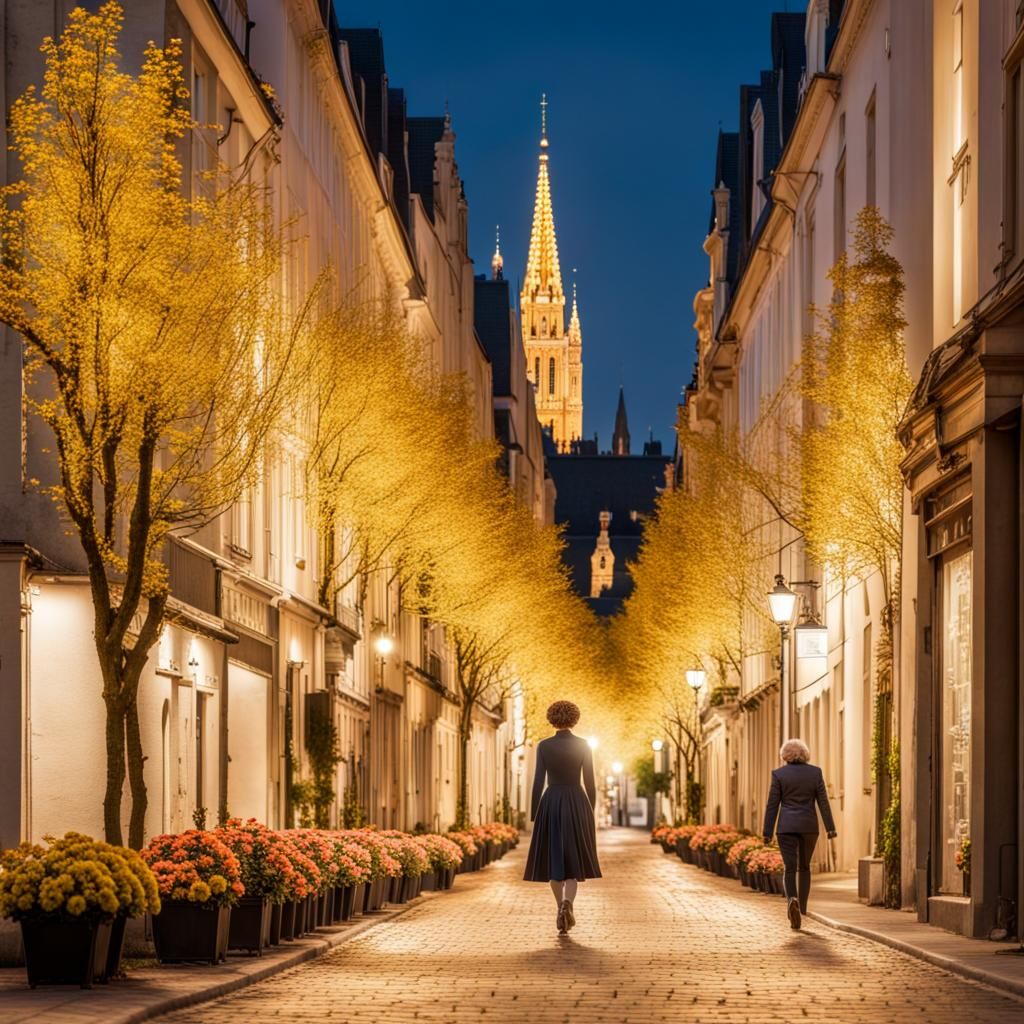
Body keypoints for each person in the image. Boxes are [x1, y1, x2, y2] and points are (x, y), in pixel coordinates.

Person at [523, 700, 602, 933]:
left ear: (552, 719)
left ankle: (560, 907)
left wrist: (535, 811)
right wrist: (591, 810)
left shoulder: (544, 746)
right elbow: (590, 782)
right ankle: (569, 904)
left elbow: (538, 781)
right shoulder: (584, 745)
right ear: (575, 719)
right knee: (573, 860)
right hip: (577, 802)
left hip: (552, 801)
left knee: (555, 860)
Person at [762, 738, 837, 931]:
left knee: (789, 868)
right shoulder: (815, 773)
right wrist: (830, 828)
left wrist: (767, 832)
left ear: (784, 755)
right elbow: (823, 802)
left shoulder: (779, 775)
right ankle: (802, 908)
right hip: (808, 827)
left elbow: (772, 804)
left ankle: (792, 900)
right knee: (804, 867)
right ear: (805, 754)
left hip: (786, 827)